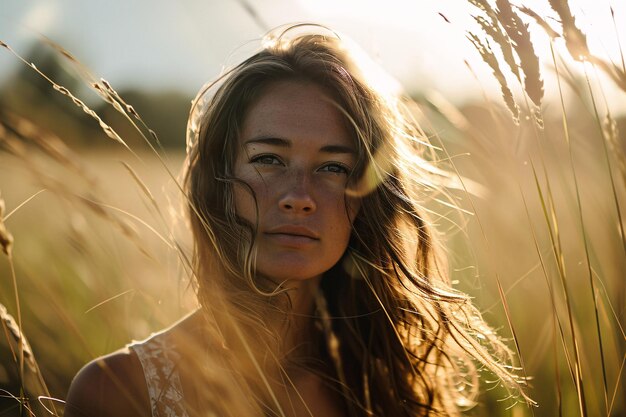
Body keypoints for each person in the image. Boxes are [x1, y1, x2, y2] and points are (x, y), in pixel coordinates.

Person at [65, 24, 524, 417]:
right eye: (268, 159)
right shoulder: (120, 392)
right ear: (219, 181)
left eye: (332, 168)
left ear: (365, 199)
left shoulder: (389, 381)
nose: (299, 198)